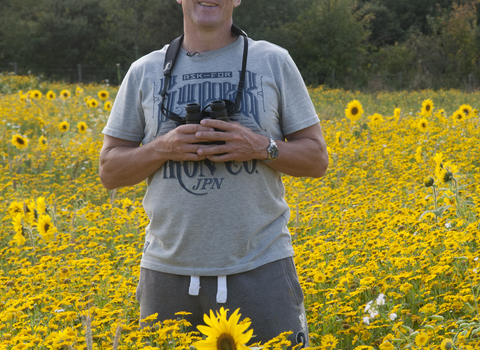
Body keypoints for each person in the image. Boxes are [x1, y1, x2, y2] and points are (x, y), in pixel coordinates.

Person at [99, 0, 328, 347]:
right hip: (167, 274)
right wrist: (163, 147)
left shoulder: (272, 61)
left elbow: (316, 159)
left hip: (261, 269)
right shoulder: (144, 71)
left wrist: (259, 146)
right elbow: (109, 171)